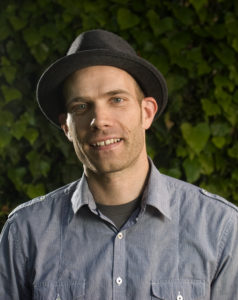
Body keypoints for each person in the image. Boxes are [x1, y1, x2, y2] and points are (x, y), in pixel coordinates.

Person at [0, 29, 237, 300]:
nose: (99, 120)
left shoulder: (220, 228)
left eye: (117, 100)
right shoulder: (26, 231)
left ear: (147, 113)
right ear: (67, 127)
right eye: (81, 106)